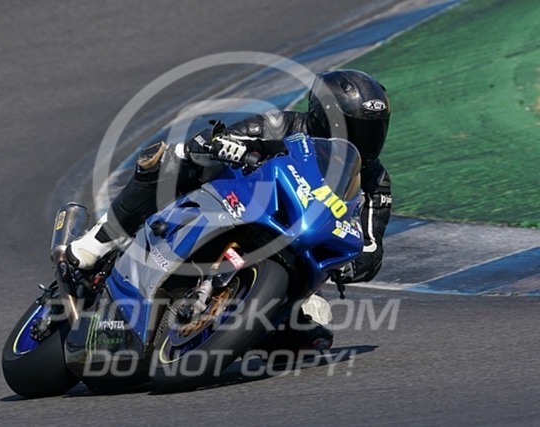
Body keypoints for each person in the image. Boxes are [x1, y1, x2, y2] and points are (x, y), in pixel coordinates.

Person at [67, 69, 392, 351]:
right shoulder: (280, 125)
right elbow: (212, 140)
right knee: (172, 157)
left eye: (373, 131)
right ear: (323, 117)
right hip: (231, 205)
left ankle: (225, 335)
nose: (364, 141)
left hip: (295, 249)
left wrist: (353, 265)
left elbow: (371, 247)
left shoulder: (374, 181)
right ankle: (98, 242)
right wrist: (220, 146)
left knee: (313, 335)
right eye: (354, 130)